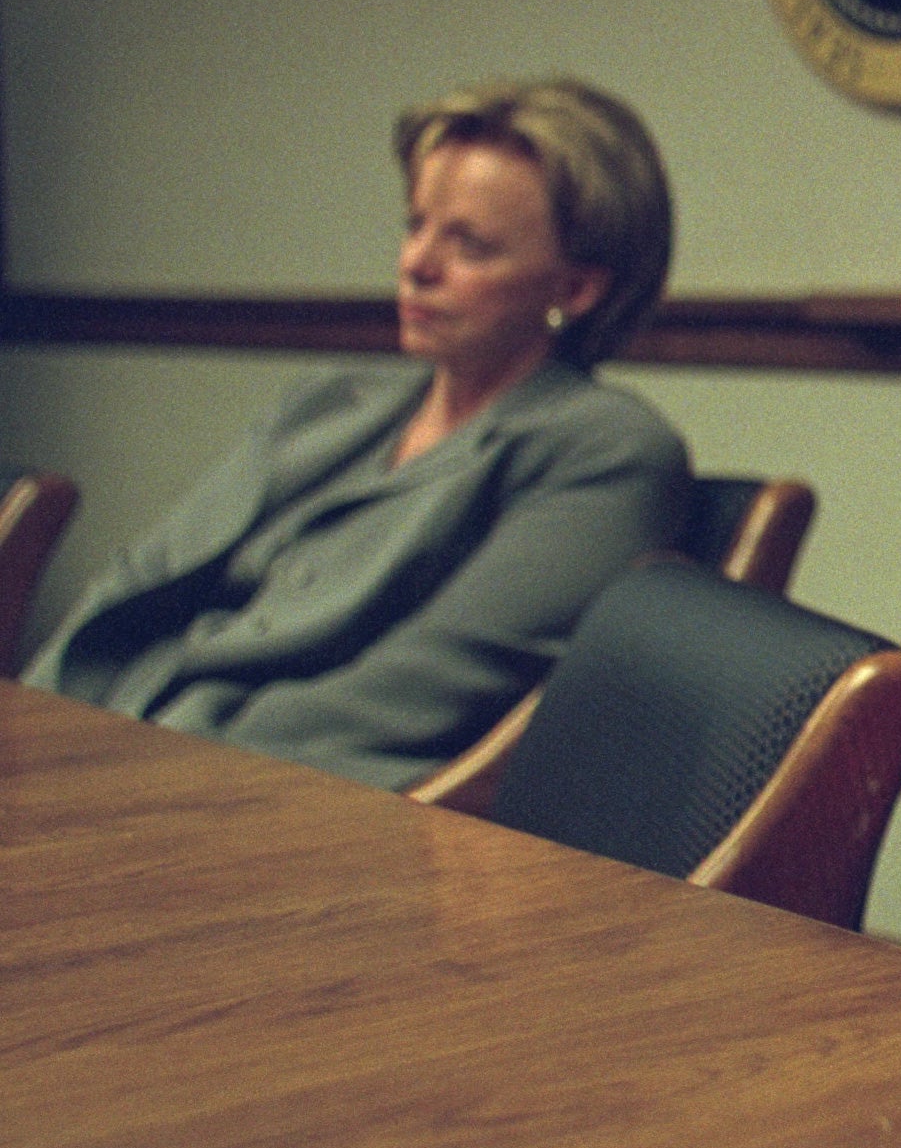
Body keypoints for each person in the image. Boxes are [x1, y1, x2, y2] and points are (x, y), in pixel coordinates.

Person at [23, 77, 690, 790]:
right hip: (107, 744)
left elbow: (407, 700)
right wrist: (35, 732)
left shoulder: (606, 449)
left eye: (467, 244)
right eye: (416, 225)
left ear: (575, 290)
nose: (417, 265)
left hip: (269, 807)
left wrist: (142, 778)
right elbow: (138, 584)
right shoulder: (334, 401)